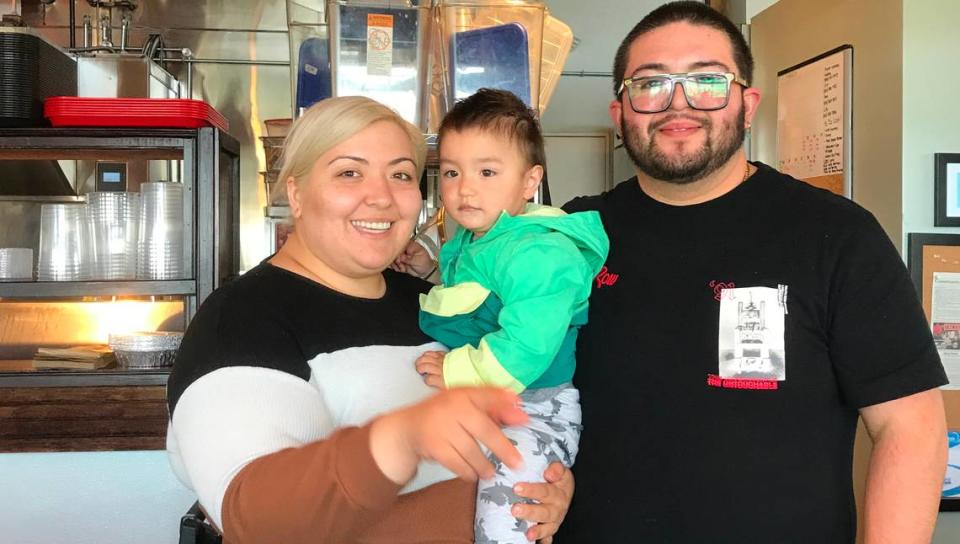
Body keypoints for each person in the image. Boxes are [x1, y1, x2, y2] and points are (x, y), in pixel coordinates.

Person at [555, 2, 949, 542]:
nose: (678, 103)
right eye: (649, 84)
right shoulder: (568, 236)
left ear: (747, 105)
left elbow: (910, 428)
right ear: (620, 112)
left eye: (708, 81)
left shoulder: (836, 235)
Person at [165, 95, 573, 544]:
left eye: (400, 174)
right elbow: (257, 519)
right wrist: (398, 439)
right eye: (348, 172)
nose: (381, 197)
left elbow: (505, 418)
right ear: (296, 193)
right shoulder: (241, 320)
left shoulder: (434, 302)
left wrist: (537, 487)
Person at [405, 88, 608, 543]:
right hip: (485, 403)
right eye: (453, 172)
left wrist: (459, 370)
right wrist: (432, 268)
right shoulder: (477, 237)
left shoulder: (541, 252)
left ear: (529, 180)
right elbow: (477, 293)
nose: (465, 187)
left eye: (487, 171)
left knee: (508, 513)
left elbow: (528, 342)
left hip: (533, 409)